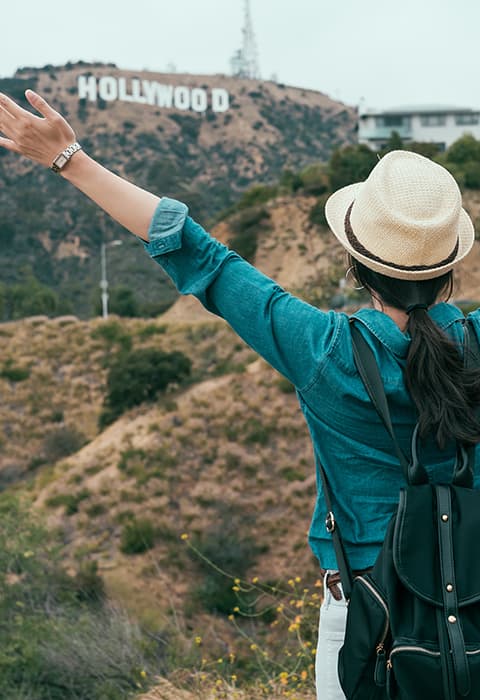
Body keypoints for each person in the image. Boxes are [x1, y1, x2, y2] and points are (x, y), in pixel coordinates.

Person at [1, 90, 479, 700]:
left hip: (367, 615)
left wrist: (69, 157)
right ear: (449, 267)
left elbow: (201, 256)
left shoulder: (322, 348)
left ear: (354, 265)